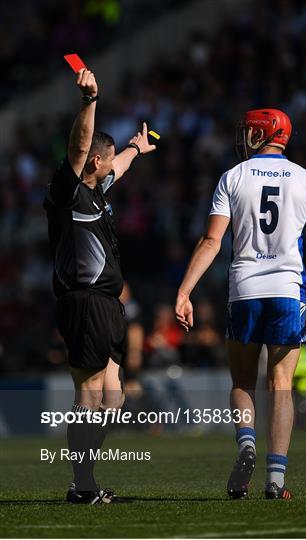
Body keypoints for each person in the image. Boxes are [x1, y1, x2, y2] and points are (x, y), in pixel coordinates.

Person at [175, 108, 306, 499]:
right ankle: (276, 479)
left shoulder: (233, 177)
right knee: (281, 384)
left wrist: (184, 291)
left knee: (243, 382)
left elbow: (212, 242)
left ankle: (246, 442)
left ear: (260, 134)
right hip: (288, 291)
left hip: (244, 291)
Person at [44, 68, 156, 503]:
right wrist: (89, 101)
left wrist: (133, 149)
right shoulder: (68, 191)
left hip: (107, 305)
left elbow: (119, 168)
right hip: (84, 301)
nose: (112, 169)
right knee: (89, 396)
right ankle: (81, 485)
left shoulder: (97, 188)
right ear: (94, 162)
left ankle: (84, 478)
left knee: (113, 401)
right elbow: (78, 146)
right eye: (106, 160)